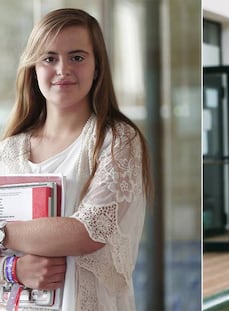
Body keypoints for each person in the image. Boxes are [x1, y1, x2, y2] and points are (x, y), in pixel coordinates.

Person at [0, 8, 151, 311]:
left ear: (97, 68)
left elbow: (88, 231)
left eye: (78, 57)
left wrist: (3, 232)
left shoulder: (116, 140)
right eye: (49, 58)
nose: (63, 69)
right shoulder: (8, 151)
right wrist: (13, 269)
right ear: (33, 68)